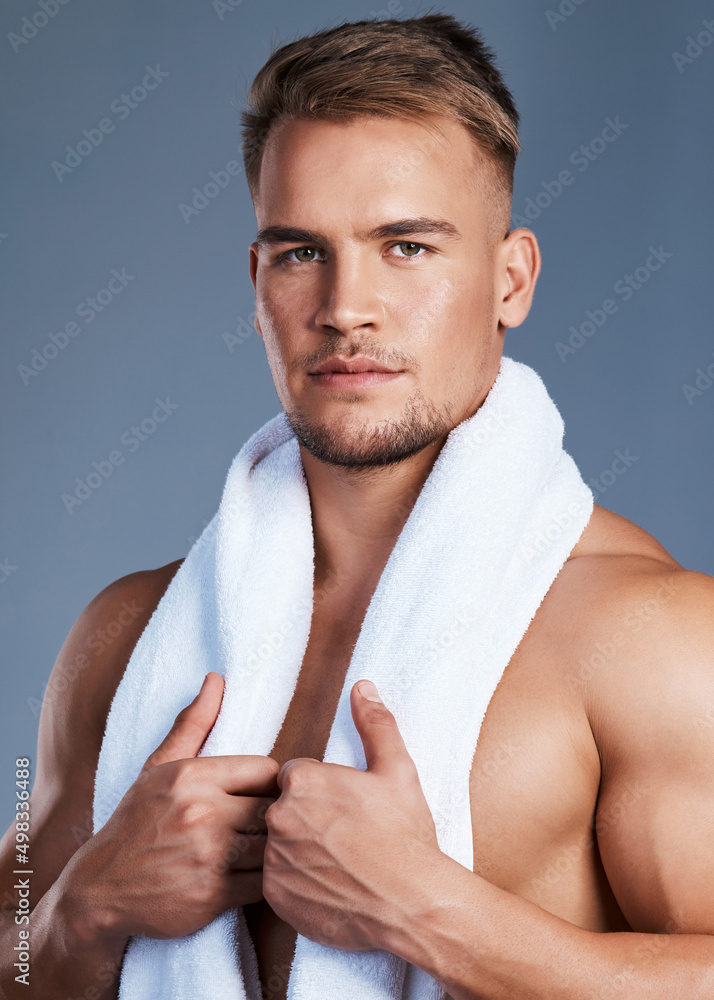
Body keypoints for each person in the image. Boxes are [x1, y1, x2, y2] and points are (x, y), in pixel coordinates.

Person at [3, 12, 714, 1000]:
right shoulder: (127, 638)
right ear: (258, 283)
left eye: (407, 247)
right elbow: (18, 950)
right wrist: (83, 907)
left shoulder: (646, 636)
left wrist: (428, 909)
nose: (347, 306)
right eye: (301, 252)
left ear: (510, 279)